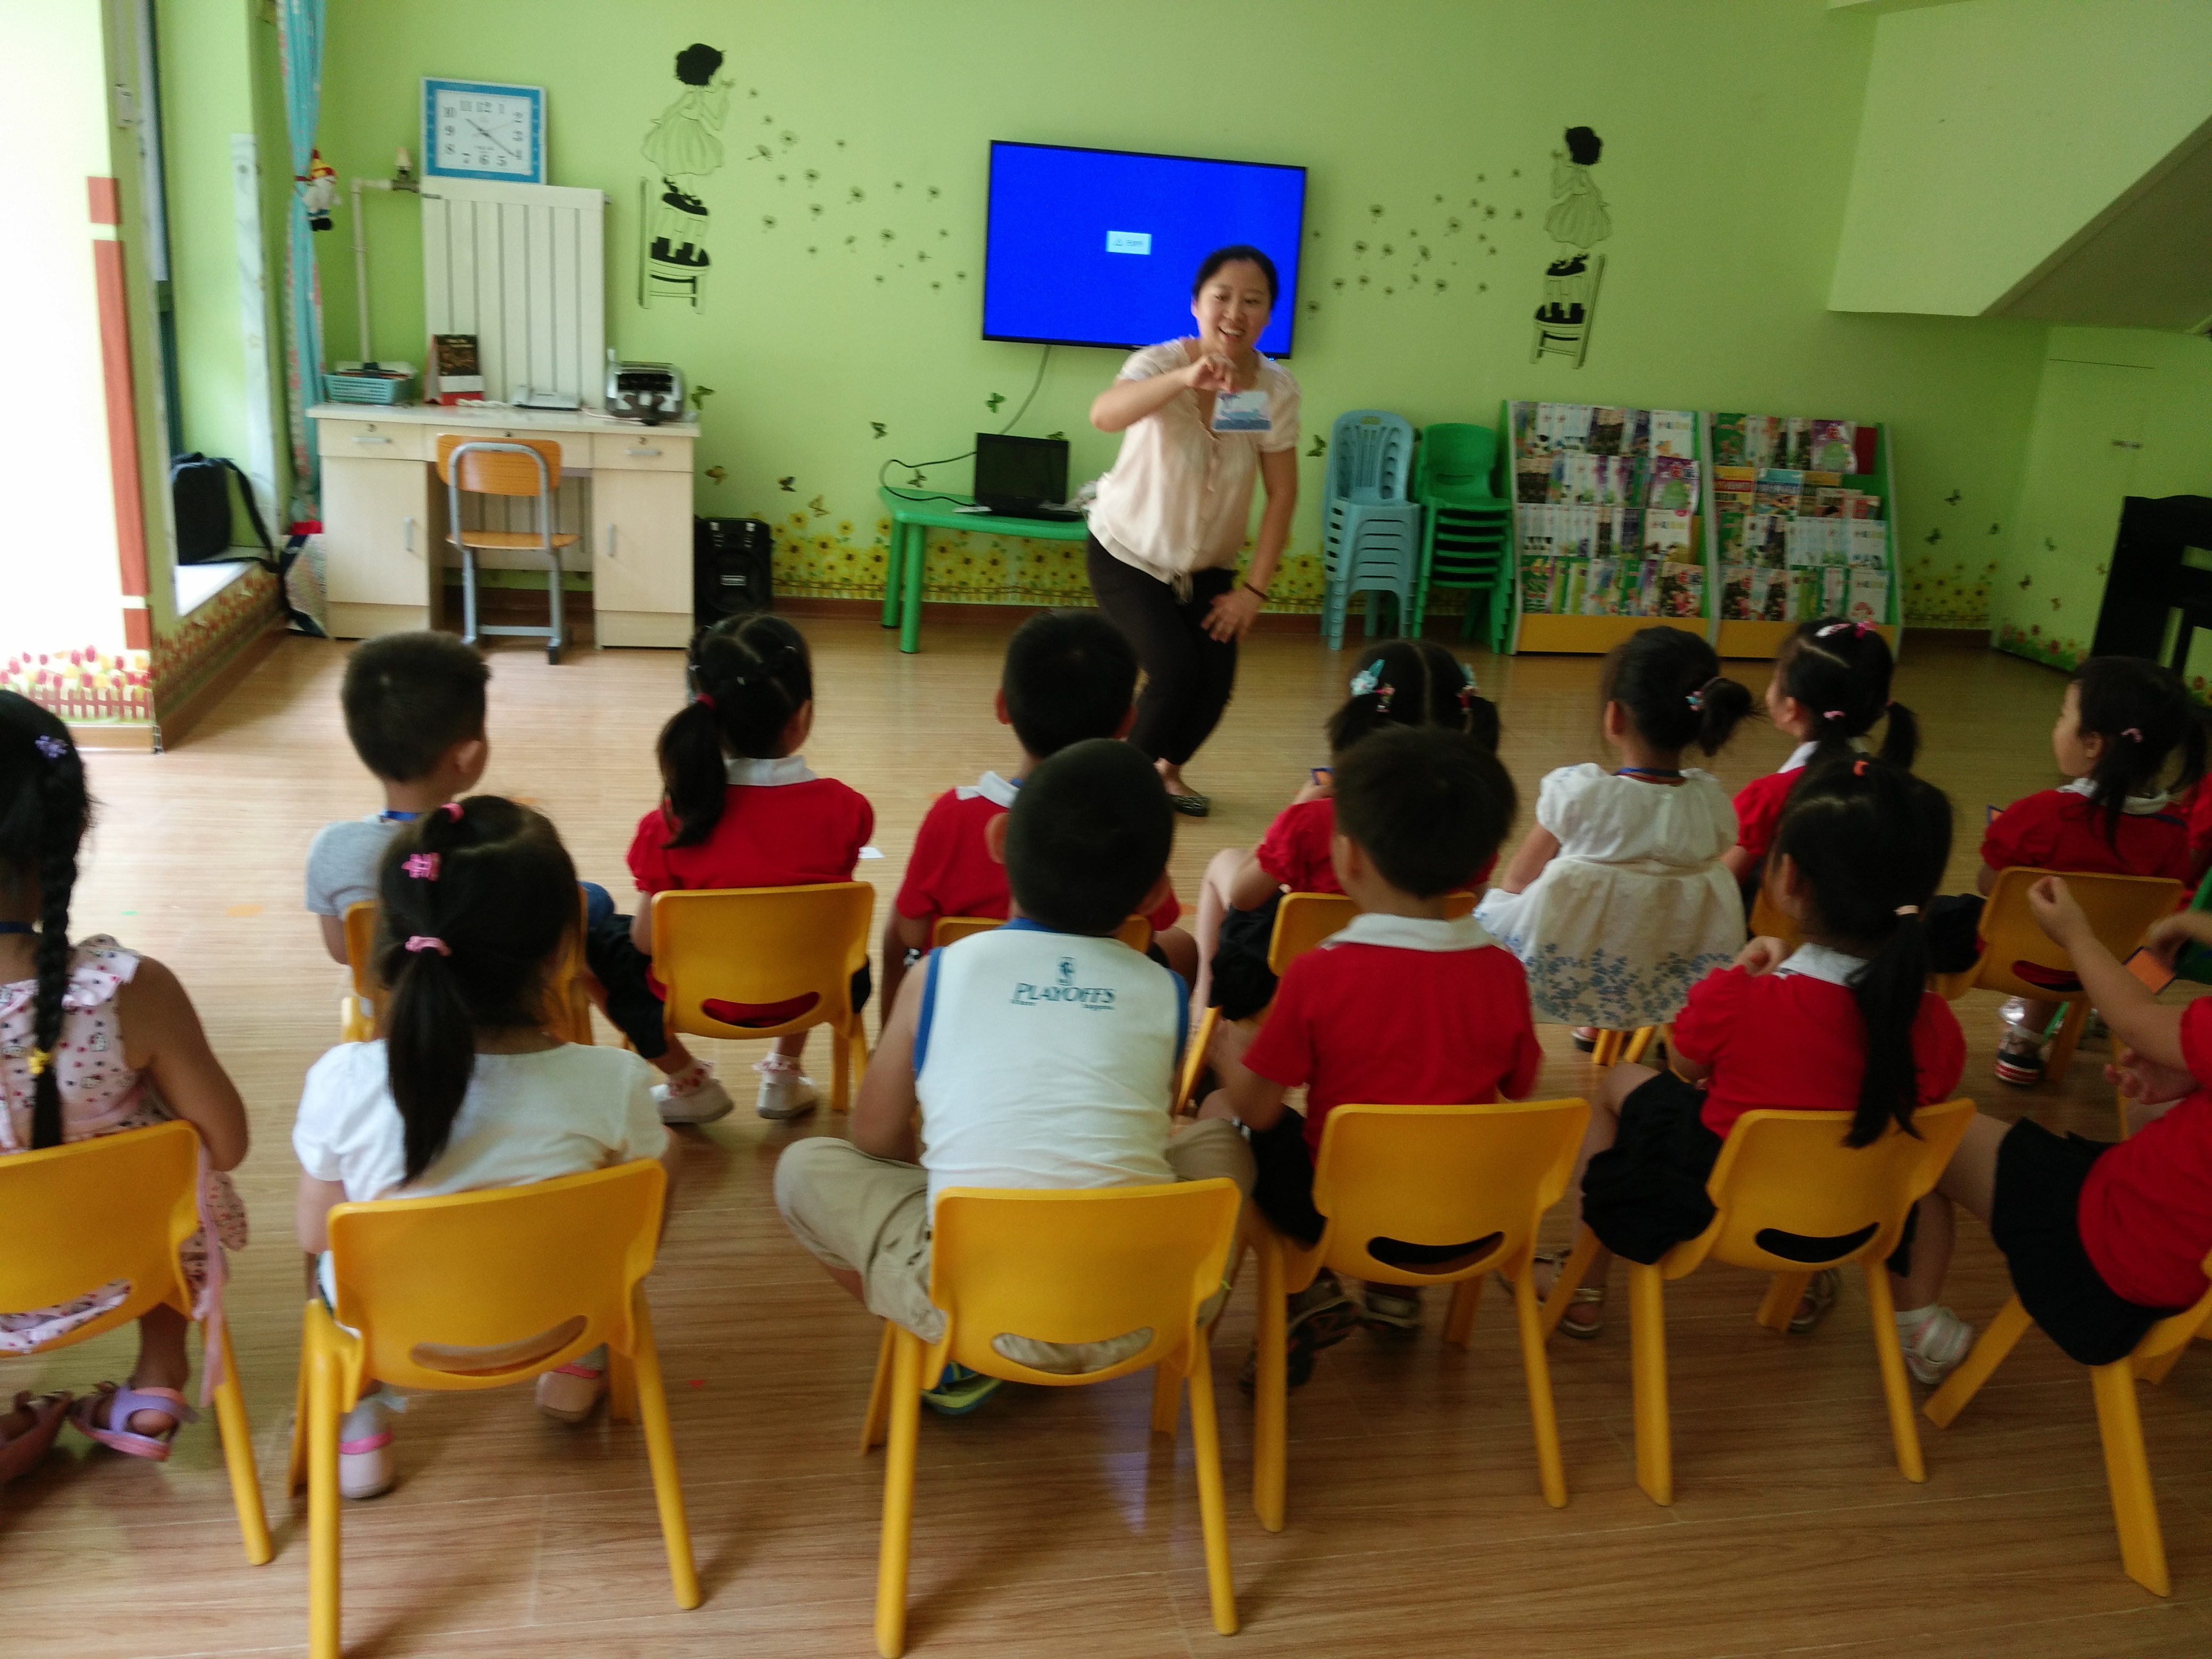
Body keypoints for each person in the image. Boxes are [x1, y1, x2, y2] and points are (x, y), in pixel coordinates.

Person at [775, 740, 1253, 1416]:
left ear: (999, 840)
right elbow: (1146, 1110)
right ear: (1154, 894)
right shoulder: (1163, 990)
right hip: (1140, 1313)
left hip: (974, 1306)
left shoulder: (939, 973)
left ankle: (949, 1352)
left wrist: (948, 1180)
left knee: (801, 1169)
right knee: (1223, 1140)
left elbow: (875, 1136)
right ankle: (1179, 1314)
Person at [293, 798, 675, 1499]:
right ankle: (579, 1363)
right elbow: (644, 1224)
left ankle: (362, 1421)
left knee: (329, 1267)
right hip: (564, 1312)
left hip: (400, 1335)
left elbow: (317, 1235)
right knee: (617, 1203)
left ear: (392, 939)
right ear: (561, 950)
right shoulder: (615, 1082)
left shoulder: (343, 1082)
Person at [1563, 759, 1972, 1379]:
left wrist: (1742, 976)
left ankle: (1581, 1282)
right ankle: (1916, 1320)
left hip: (1716, 1207)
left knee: (1620, 1081)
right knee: (1923, 1161)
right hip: (1856, 1215)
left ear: (1787, 879)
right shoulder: (1935, 1022)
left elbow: (1683, 1065)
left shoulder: (1741, 998)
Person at [1197, 726, 1534, 1382]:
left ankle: (1307, 1287)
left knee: (1222, 1116)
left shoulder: (1318, 974)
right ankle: (1394, 1295)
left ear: (1347, 856)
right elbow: (1518, 1089)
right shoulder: (1504, 973)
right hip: (1474, 1216)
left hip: (1343, 1218)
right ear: (1482, 865)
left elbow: (1259, 1111)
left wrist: (1231, 1057)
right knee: (1424, 1128)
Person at [0, 693, 250, 1477]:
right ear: (73, 834)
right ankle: (157, 1381)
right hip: (127, 1267)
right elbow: (228, 1143)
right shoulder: (127, 992)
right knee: (177, 1165)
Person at [1904, 876, 2212, 1370]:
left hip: (2103, 1274)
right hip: (2193, 1284)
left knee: (1921, 1137)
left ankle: (1916, 1328)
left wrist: (2075, 934)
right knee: (2146, 1102)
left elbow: (2132, 1018)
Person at [584, 614, 873, 1124]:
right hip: (811, 992)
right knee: (819, 935)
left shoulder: (669, 824)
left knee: (596, 945)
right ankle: (784, 1075)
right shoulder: (847, 810)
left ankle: (688, 1081)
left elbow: (647, 944)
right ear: (802, 718)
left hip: (695, 1000)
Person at [1190, 639, 1501, 1045]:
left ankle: (1203, 1012)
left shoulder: (1315, 821)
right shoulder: (1475, 825)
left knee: (1224, 865)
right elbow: (1470, 901)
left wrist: (1292, 813)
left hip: (1295, 987)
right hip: (1416, 989)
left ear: (1362, 719)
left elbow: (1243, 896)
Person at [882, 609, 1195, 1010]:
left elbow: (911, 934)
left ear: (1003, 706)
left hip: (967, 1004)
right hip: (1085, 1004)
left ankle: (891, 1035)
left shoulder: (953, 816)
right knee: (1183, 947)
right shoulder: (1133, 822)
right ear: (1126, 724)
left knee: (897, 920)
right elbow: (1155, 923)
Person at [1086, 245, 1302, 816]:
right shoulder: (1159, 363)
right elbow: (1105, 415)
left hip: (1207, 566)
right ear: (1196, 304)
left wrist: (1253, 591)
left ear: (1268, 314)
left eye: (1252, 301)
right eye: (1221, 297)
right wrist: (1186, 377)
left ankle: (1165, 772)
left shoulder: (1273, 390)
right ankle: (1116, 790)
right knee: (1175, 670)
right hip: (1128, 552)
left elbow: (1282, 494)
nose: (1235, 312)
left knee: (1214, 683)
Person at [1477, 626, 1750, 1035]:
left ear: (1615, 716)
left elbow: (1518, 880)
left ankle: (1595, 1021)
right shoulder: (1711, 803)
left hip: (1569, 969)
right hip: (1666, 973)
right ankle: (1615, 1024)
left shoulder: (1581, 793)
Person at [1976, 657, 2203, 1087]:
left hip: (2024, 961)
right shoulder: (2175, 830)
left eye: (2063, 716)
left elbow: (1991, 884)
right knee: (2133, 944)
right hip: (2118, 966)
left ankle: (2024, 1042)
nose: (2057, 726)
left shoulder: (2041, 813)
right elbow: (2166, 897)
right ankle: (2104, 1015)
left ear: (2093, 744)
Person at [304, 632, 490, 965]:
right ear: (468, 756)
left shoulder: (332, 848)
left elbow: (343, 952)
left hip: (386, 999)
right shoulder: (501, 843)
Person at [1721, 619, 1918, 892]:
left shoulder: (1770, 795)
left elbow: (1725, 883)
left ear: (1792, 708)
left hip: (1781, 916)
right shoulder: (1890, 785)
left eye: (1775, 680)